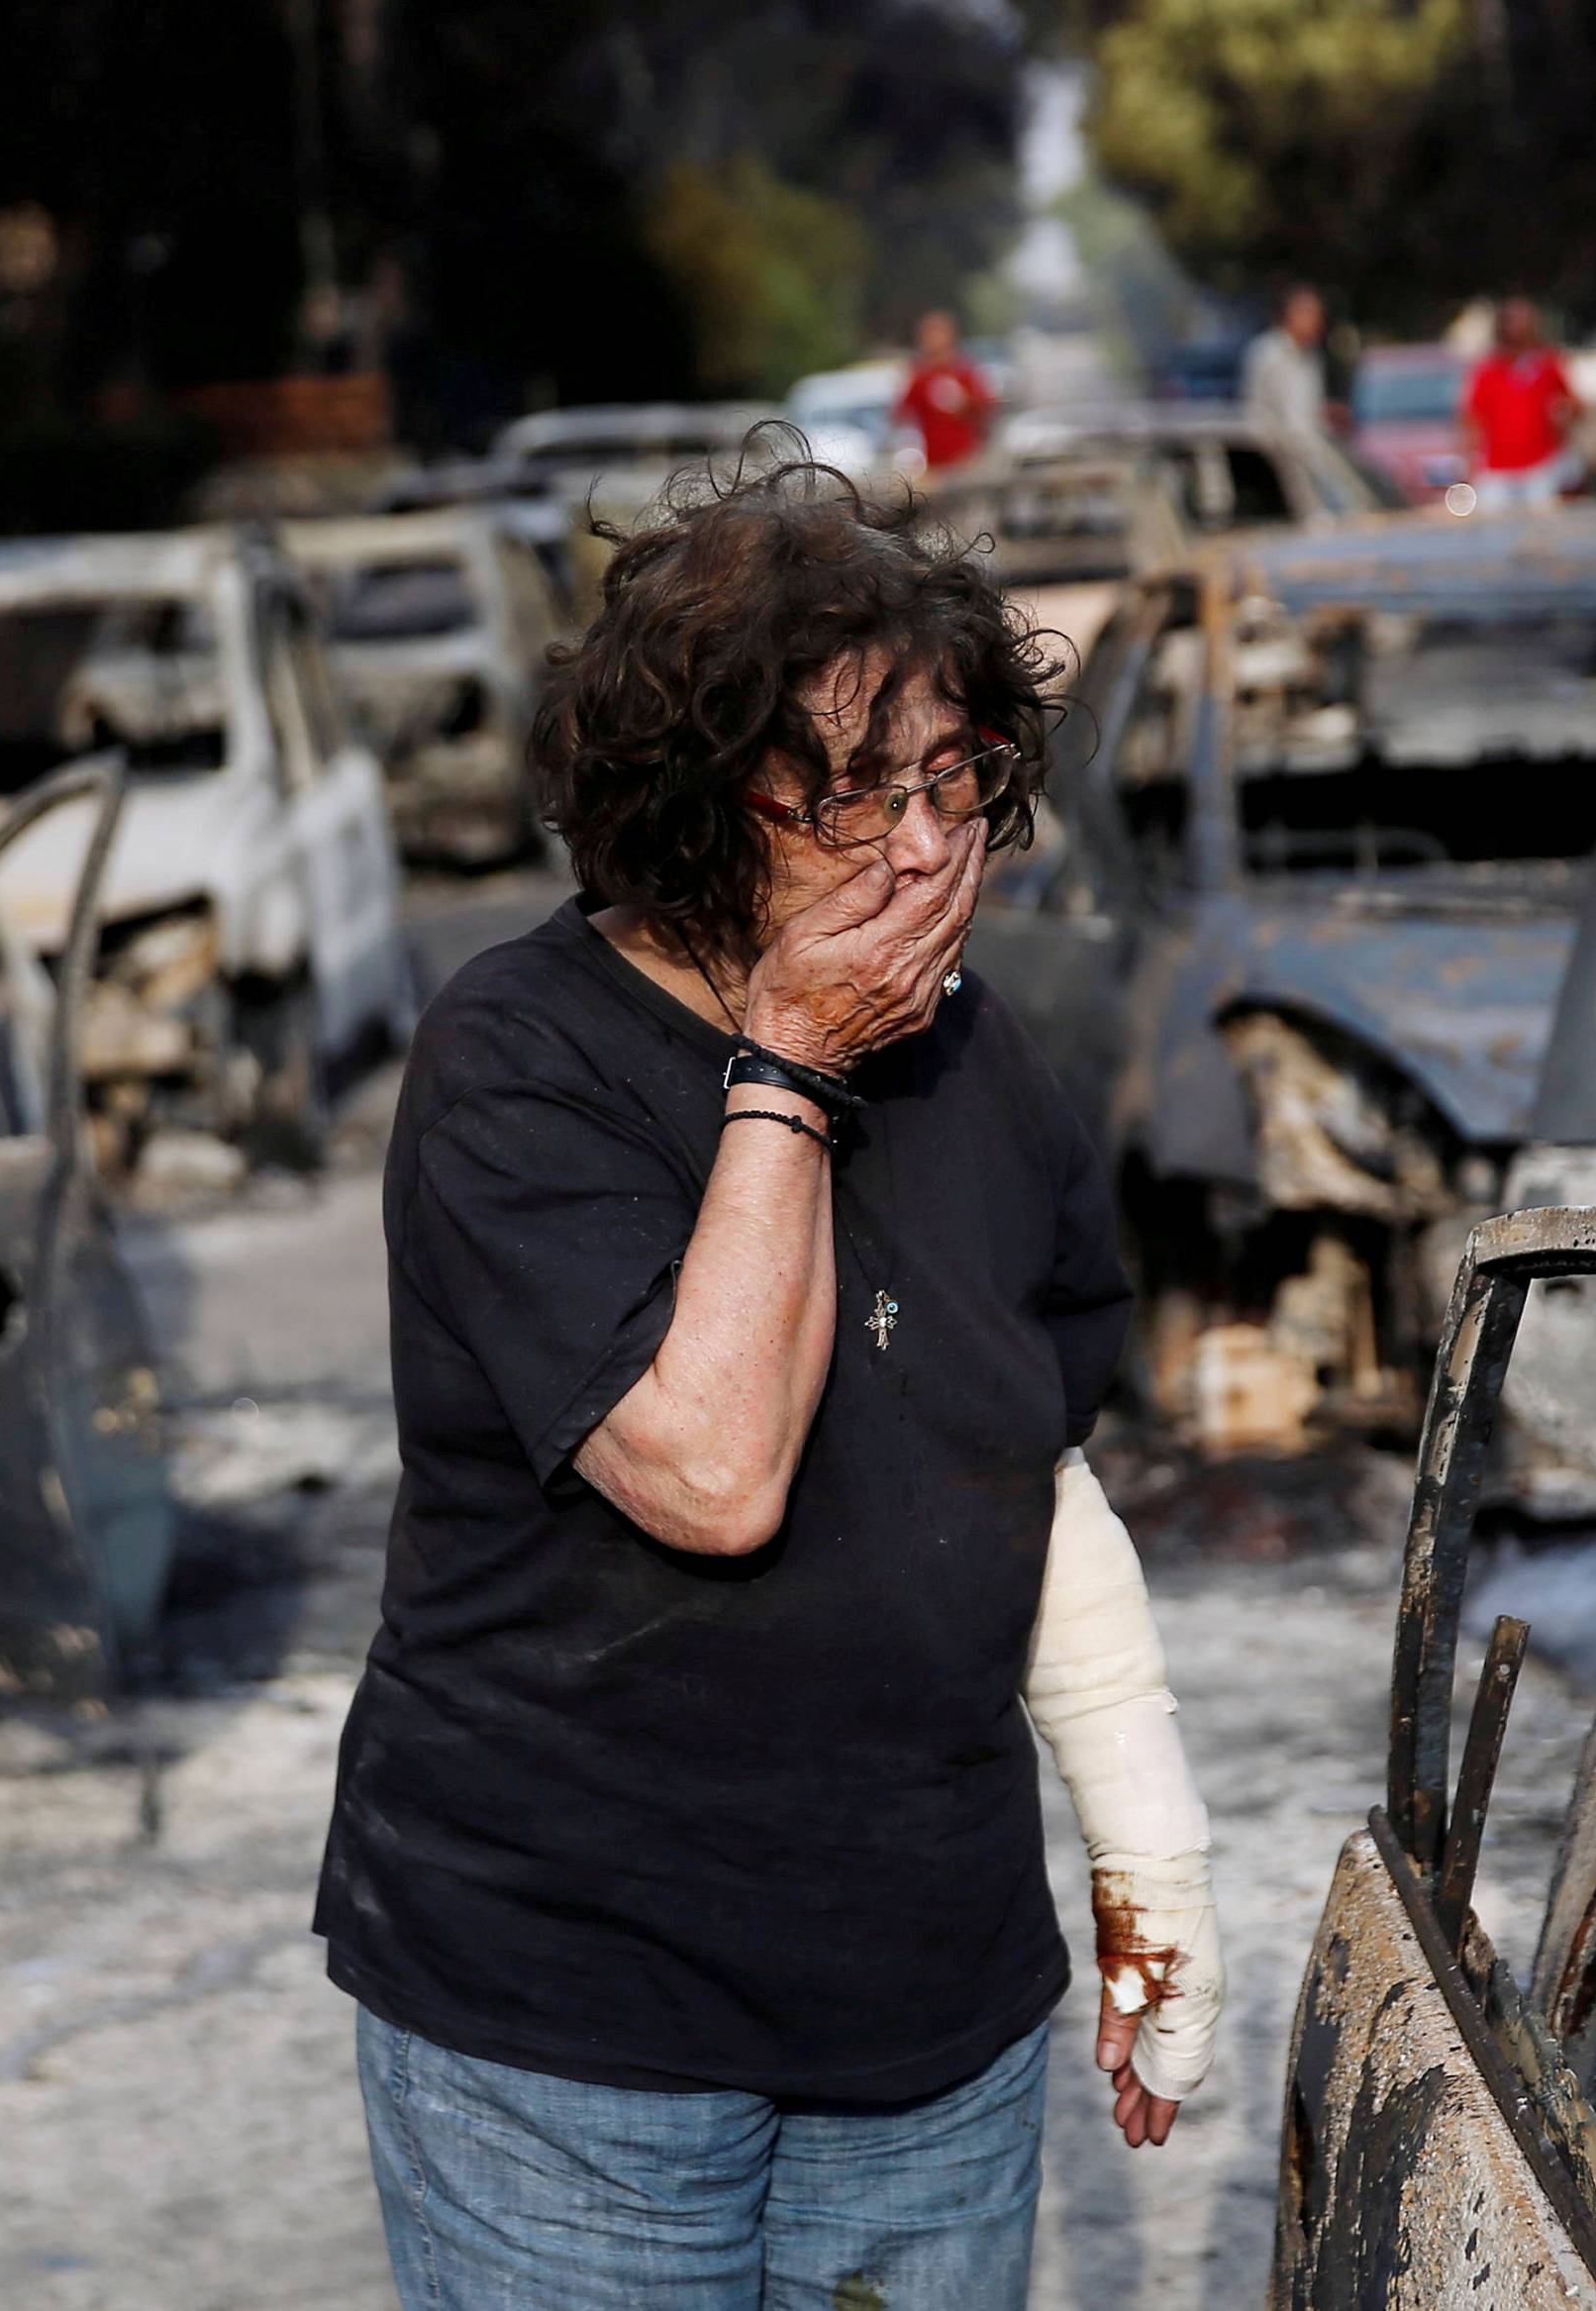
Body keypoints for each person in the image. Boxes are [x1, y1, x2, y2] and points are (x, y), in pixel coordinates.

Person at [314, 450, 1224, 2311]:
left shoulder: (980, 1063)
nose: (917, 845)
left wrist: (1155, 1863)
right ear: (689, 805)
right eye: (848, 791)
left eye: (954, 775)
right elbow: (711, 1470)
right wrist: (793, 1061)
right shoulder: (521, 1059)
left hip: (926, 2025)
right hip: (571, 2031)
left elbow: (1026, 1473)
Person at [1461, 296, 1581, 508]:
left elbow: (1574, 406)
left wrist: (1563, 419)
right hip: (1497, 469)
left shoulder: (1547, 363)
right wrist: (1471, 461)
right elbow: (1471, 417)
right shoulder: (1487, 369)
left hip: (1540, 467)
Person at [893, 309, 996, 470]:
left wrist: (965, 404)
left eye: (938, 333)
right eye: (929, 335)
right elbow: (902, 415)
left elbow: (986, 409)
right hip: (934, 464)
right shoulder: (921, 376)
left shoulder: (965, 371)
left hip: (965, 459)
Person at [1242, 284, 1333, 435]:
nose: (1317, 323)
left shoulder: (1312, 357)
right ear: (1293, 314)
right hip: (1275, 452)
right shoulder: (1268, 353)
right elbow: (1255, 412)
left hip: (1306, 451)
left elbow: (1309, 415)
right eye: (1312, 315)